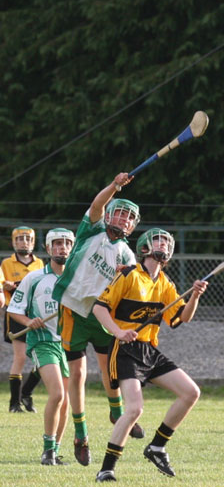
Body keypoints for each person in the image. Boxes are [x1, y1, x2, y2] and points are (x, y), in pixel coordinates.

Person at [92, 228, 208, 483]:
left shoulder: (165, 283)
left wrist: (195, 296)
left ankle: (157, 446)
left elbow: (181, 319)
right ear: (145, 247)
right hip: (124, 351)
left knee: (191, 392)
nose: (164, 245)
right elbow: (99, 309)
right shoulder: (129, 274)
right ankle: (106, 469)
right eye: (159, 240)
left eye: (167, 242)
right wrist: (119, 331)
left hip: (148, 350)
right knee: (134, 409)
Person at [51, 172, 144, 467]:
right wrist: (115, 186)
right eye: (119, 212)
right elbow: (97, 204)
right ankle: (80, 434)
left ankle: (116, 411)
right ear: (110, 215)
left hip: (103, 315)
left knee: (109, 371)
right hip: (73, 310)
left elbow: (129, 293)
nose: (123, 218)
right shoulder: (91, 230)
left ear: (133, 225)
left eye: (129, 217)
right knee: (77, 375)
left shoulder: (128, 256)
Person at [7, 228, 75, 465]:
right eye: (56, 244)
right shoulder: (34, 278)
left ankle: (55, 451)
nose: (62, 248)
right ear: (48, 249)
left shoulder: (77, 279)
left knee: (67, 400)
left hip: (68, 343)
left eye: (67, 243)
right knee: (57, 394)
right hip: (42, 341)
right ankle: (47, 452)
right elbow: (14, 309)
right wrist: (29, 321)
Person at [1, 226, 44, 413]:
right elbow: (2, 283)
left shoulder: (40, 263)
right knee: (20, 357)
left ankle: (26, 393)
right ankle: (14, 403)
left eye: (27, 239)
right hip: (17, 314)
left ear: (33, 242)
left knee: (42, 359)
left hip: (37, 314)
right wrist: (6, 286)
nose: (24, 242)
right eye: (19, 239)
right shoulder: (6, 263)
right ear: (13, 242)